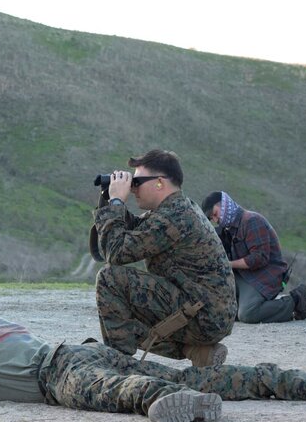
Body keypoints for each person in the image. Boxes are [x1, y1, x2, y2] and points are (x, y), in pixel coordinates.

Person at [0, 287, 306, 422]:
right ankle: (297, 381)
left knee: (120, 392)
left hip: (56, 375)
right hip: (77, 350)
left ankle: (171, 402)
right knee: (190, 374)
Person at [89, 150, 237, 367]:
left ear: (159, 182)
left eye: (137, 181)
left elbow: (116, 253)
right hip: (205, 311)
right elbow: (133, 229)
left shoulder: (173, 217)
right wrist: (109, 197)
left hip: (203, 317)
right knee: (124, 303)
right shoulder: (175, 209)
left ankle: (119, 364)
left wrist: (118, 203)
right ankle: (196, 351)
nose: (134, 188)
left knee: (110, 279)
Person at [200, 191, 306, 323]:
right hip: (244, 275)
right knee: (223, 311)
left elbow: (259, 258)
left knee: (248, 314)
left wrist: (228, 264)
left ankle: (295, 301)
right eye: (212, 219)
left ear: (224, 205)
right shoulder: (227, 229)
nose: (215, 220)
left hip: (263, 276)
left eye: (215, 214)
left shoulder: (252, 221)